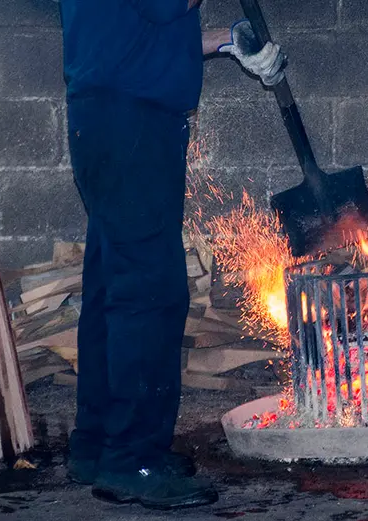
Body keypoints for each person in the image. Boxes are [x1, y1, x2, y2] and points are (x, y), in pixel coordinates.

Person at [58, 0, 285, 510]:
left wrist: (224, 40)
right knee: (149, 294)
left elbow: (140, 27)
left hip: (110, 115)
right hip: (131, 123)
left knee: (111, 286)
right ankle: (133, 459)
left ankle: (97, 445)